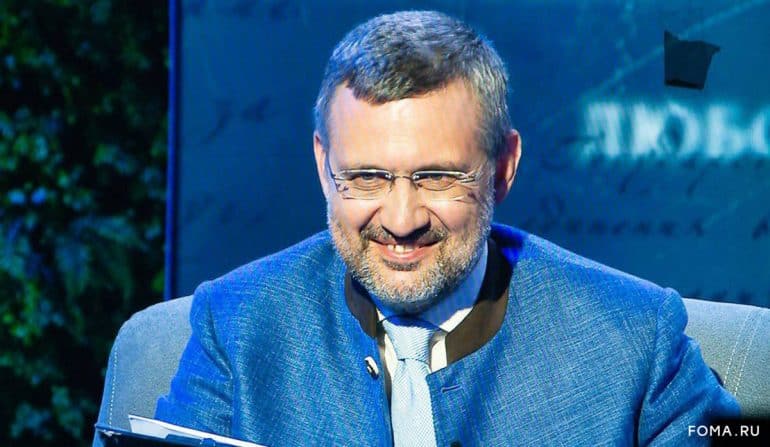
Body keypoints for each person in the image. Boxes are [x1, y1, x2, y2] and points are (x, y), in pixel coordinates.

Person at [155, 10, 739, 446]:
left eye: (436, 177)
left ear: (503, 168)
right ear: (322, 165)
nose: (401, 220)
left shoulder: (635, 338)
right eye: (366, 177)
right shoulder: (237, 325)